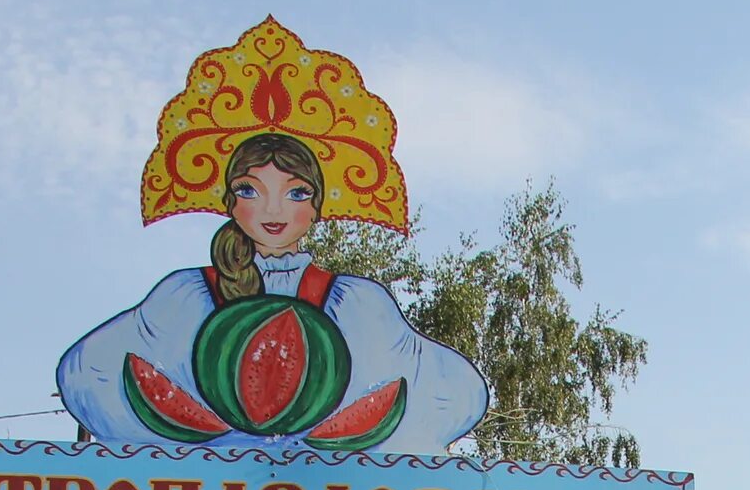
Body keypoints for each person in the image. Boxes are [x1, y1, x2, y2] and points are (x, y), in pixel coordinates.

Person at [56, 130, 488, 453]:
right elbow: (89, 374)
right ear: (230, 203)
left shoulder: (356, 302)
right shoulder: (187, 295)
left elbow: (452, 394)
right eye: (251, 191)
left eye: (295, 193)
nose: (274, 210)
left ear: (317, 207)